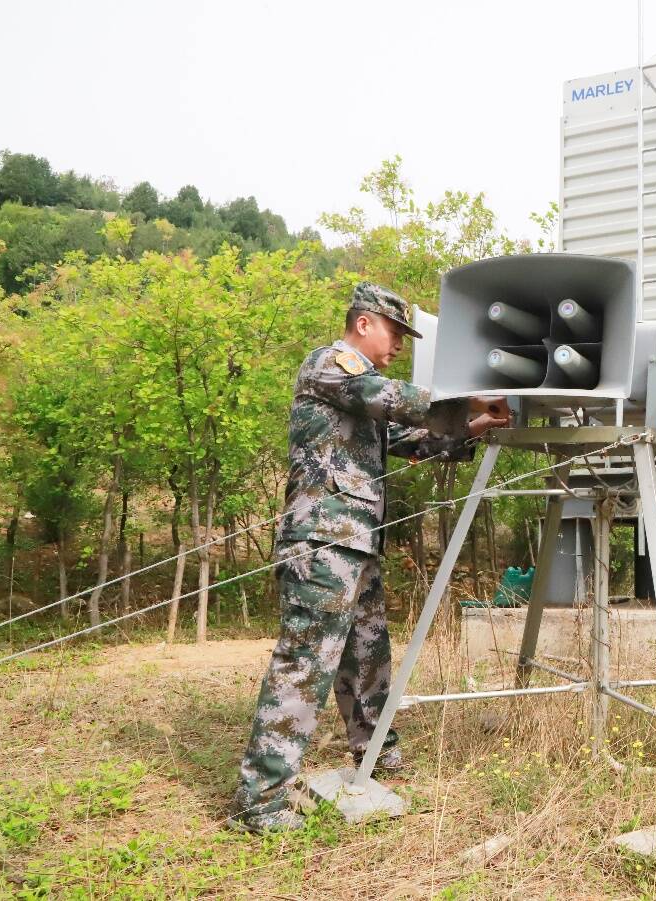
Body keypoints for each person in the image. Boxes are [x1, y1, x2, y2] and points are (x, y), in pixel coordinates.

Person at [229, 282, 509, 833]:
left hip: (358, 544)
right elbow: (395, 399)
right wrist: (470, 397)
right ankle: (259, 800)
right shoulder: (331, 367)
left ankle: (378, 757)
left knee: (366, 656)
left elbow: (415, 440)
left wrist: (474, 425)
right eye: (395, 332)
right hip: (323, 544)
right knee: (305, 661)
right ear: (363, 324)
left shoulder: (365, 389)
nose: (400, 344)